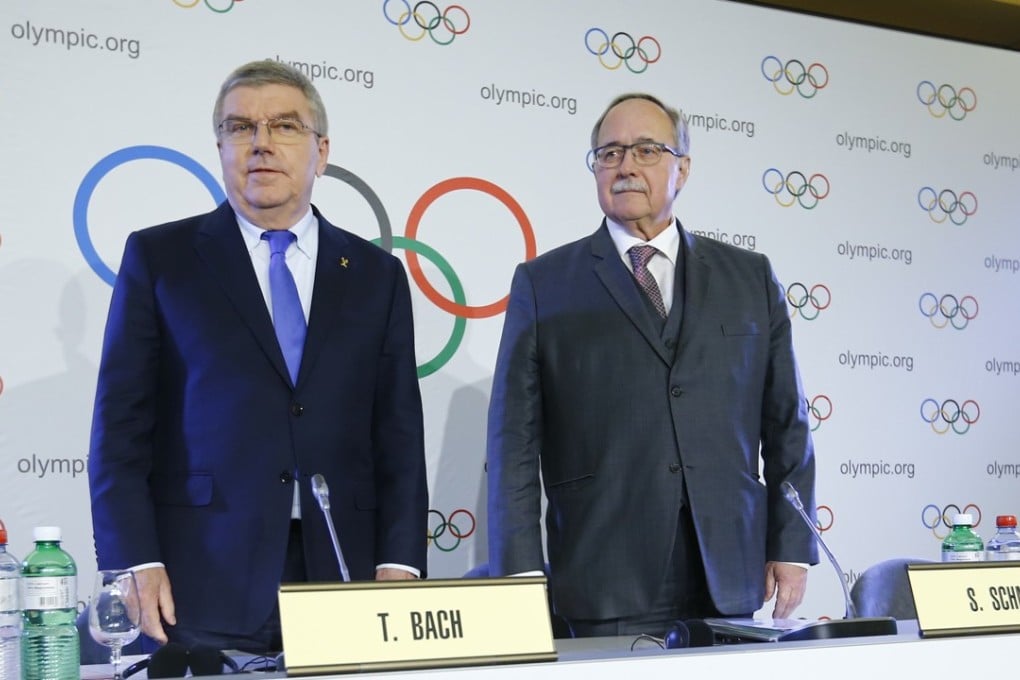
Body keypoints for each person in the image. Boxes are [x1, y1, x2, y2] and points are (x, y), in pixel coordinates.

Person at [87, 60, 428, 654]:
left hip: (343, 572)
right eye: (240, 127)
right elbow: (119, 430)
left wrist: (401, 563)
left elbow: (397, 433)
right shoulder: (161, 259)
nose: (261, 144)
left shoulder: (378, 276)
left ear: (321, 151)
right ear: (219, 146)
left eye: (285, 126)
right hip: (200, 574)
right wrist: (133, 560)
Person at [486, 92, 818, 638]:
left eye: (645, 149)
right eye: (609, 153)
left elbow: (788, 425)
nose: (625, 167)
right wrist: (519, 570)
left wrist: (791, 545)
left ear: (682, 167)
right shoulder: (544, 284)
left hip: (728, 572)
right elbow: (513, 443)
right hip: (601, 574)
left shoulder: (750, 277)